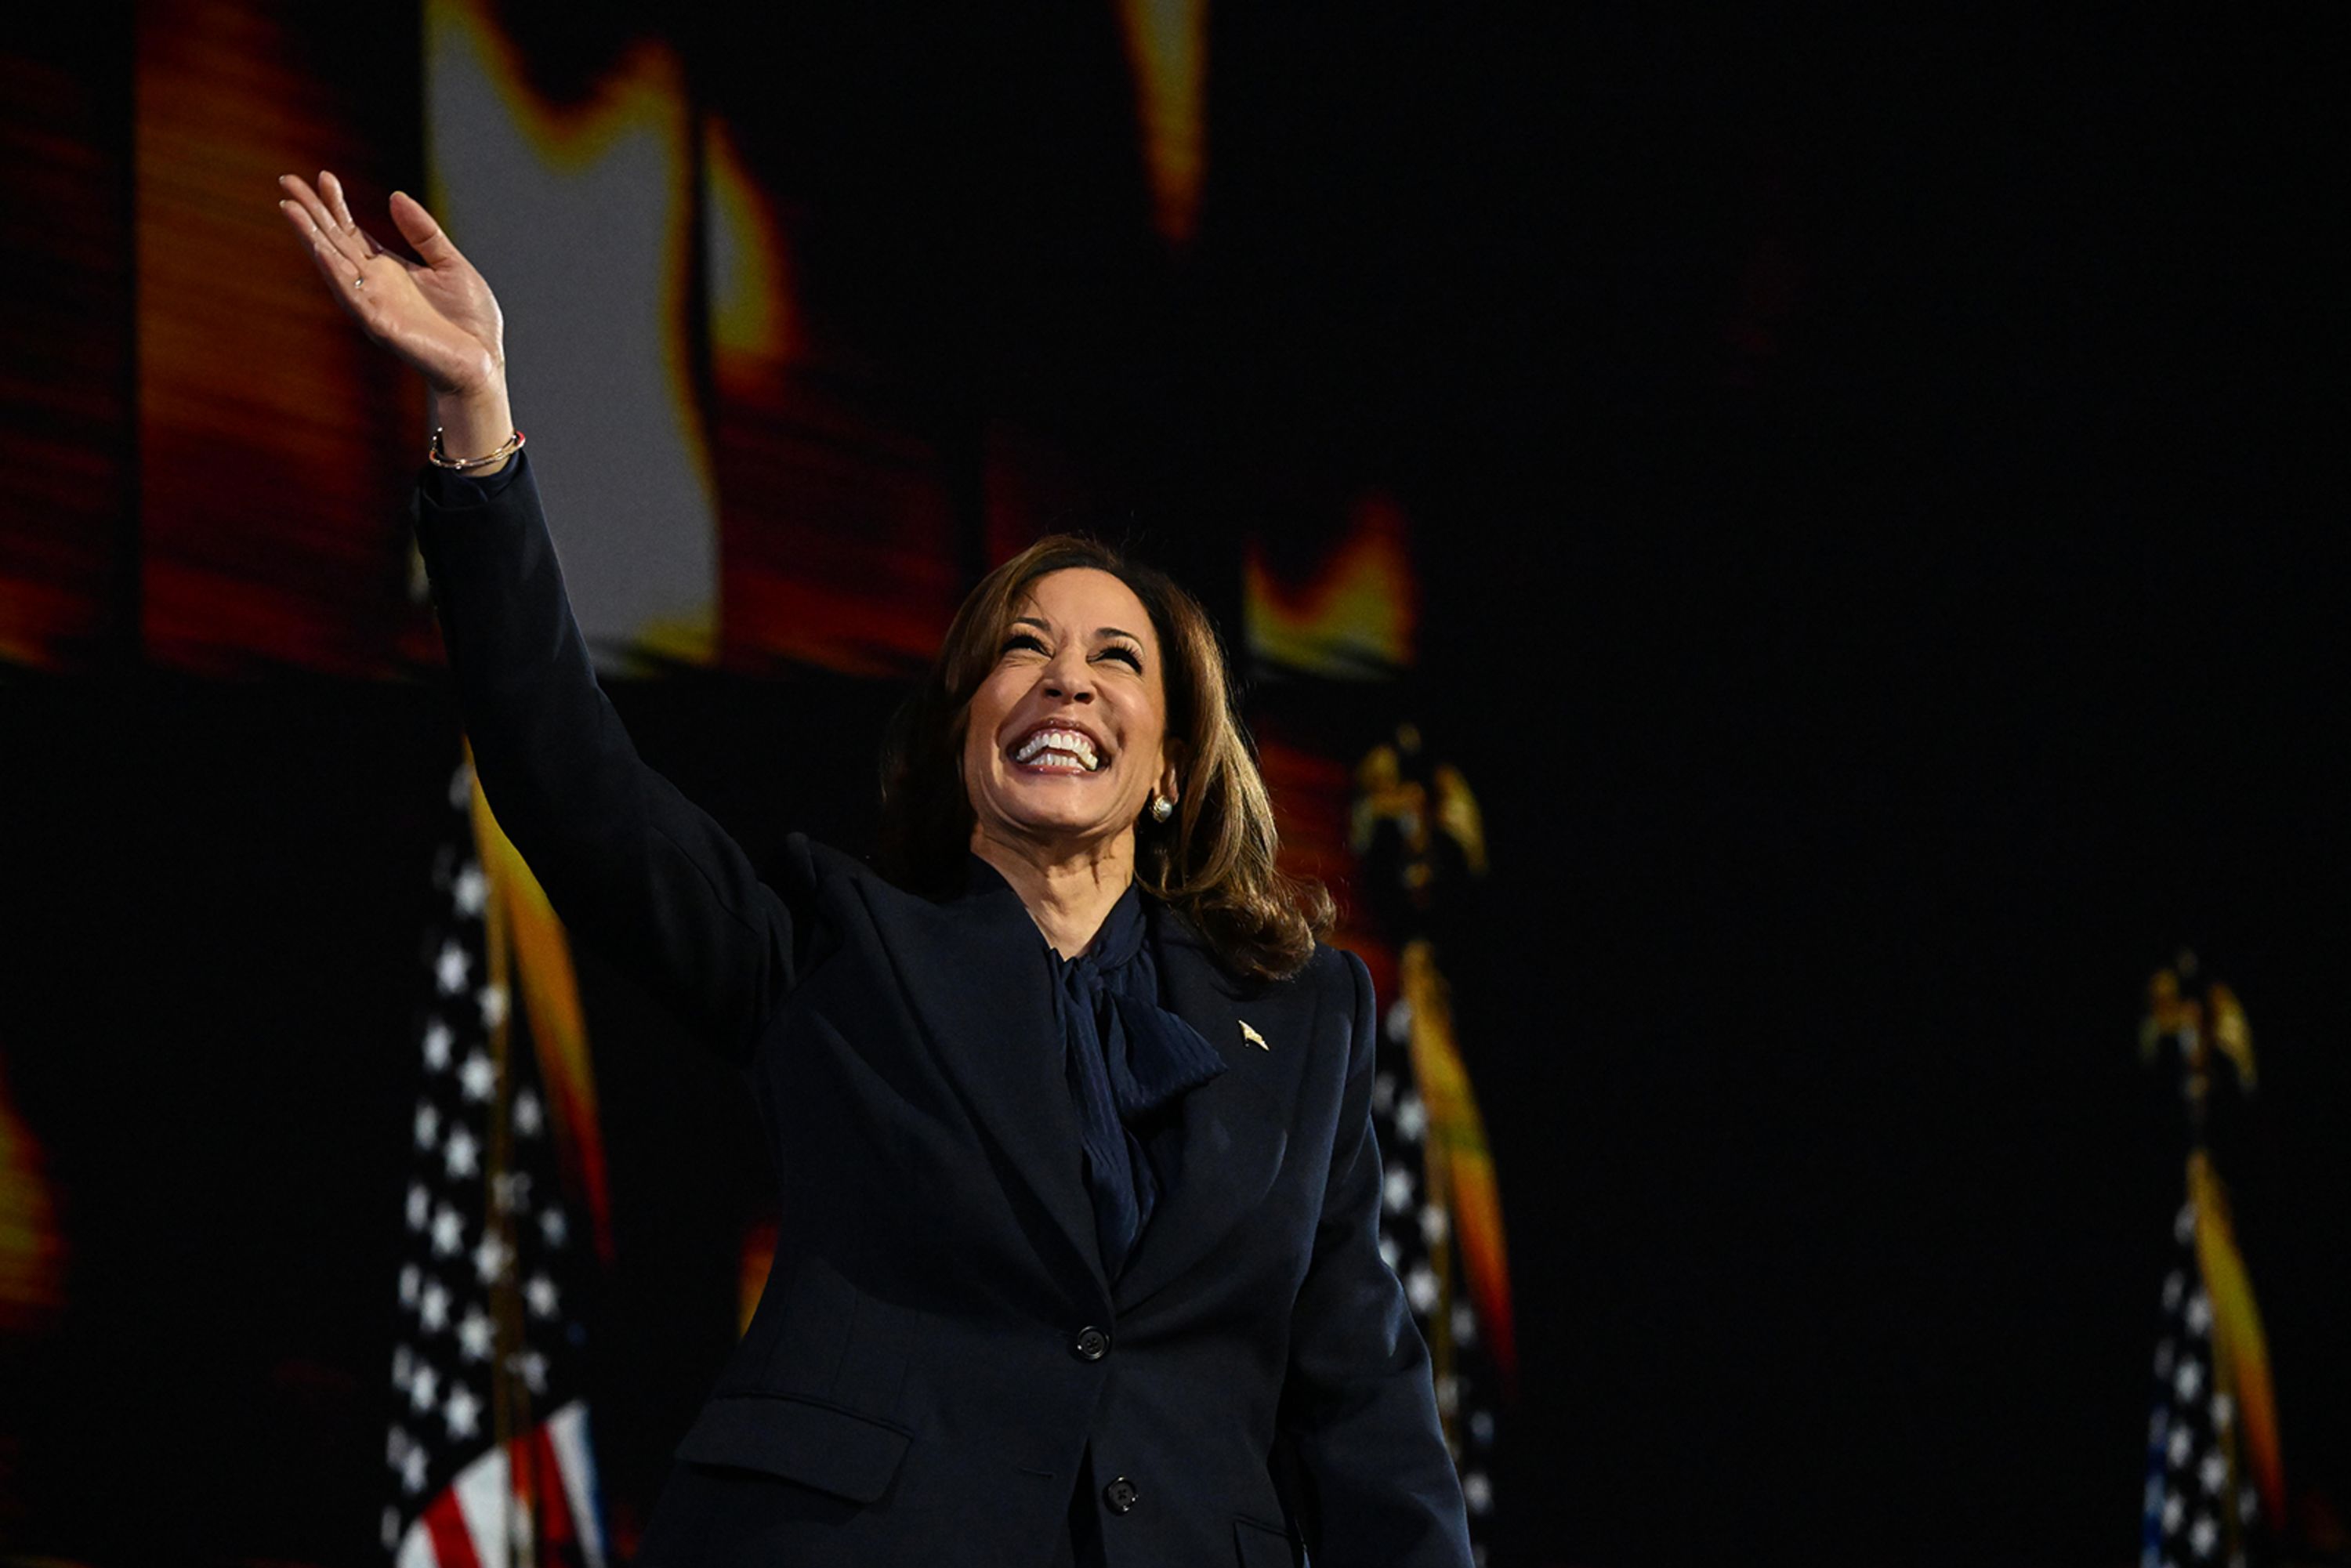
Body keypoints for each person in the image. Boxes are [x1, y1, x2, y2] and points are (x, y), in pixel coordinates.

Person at [277, 171, 1473, 1568]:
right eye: (1022, 650)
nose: (1064, 680)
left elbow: (1369, 1417)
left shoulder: (1307, 1024)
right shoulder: (841, 951)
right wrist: (479, 427)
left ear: (1170, 770)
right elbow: (577, 789)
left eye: (1115, 658)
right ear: (968, 734)